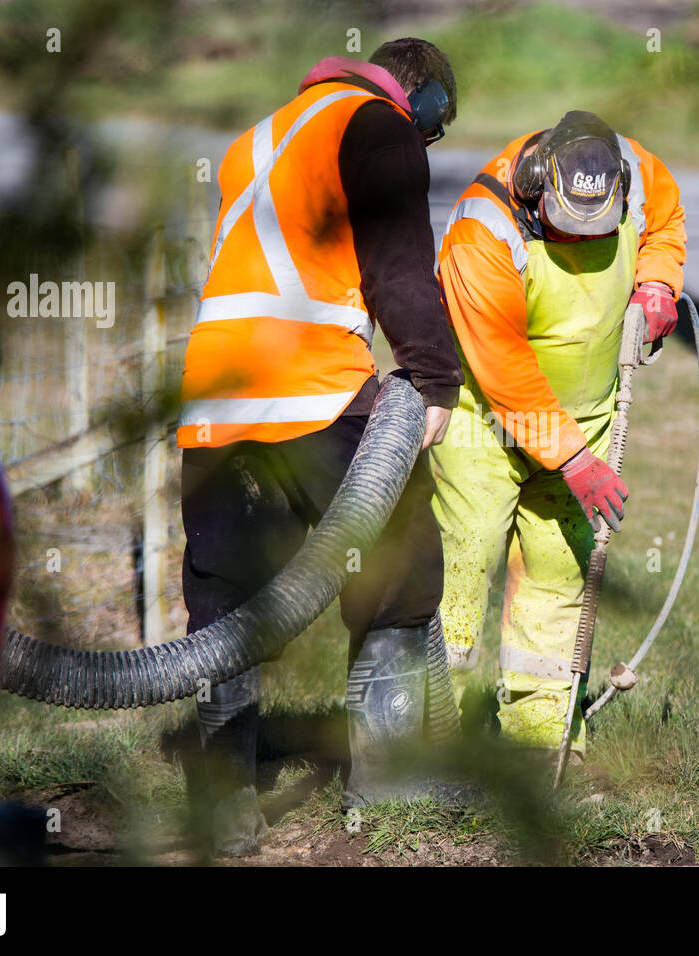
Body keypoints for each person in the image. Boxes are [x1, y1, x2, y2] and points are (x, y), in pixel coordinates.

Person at [176, 39, 463, 856]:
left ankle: (225, 807)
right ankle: (392, 781)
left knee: (223, 597)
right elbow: (399, 271)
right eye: (435, 125)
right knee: (398, 565)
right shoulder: (378, 128)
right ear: (426, 101)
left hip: (213, 396)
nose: (430, 142)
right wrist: (434, 381)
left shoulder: (261, 138)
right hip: (312, 386)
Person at [432, 110, 686, 760]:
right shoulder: (481, 230)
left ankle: (537, 744)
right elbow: (503, 368)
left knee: (555, 578)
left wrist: (657, 284)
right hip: (482, 429)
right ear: (535, 186)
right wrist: (570, 454)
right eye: (565, 231)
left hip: (585, 430)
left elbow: (665, 221)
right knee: (460, 570)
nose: (579, 247)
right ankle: (429, 745)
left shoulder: (635, 170)